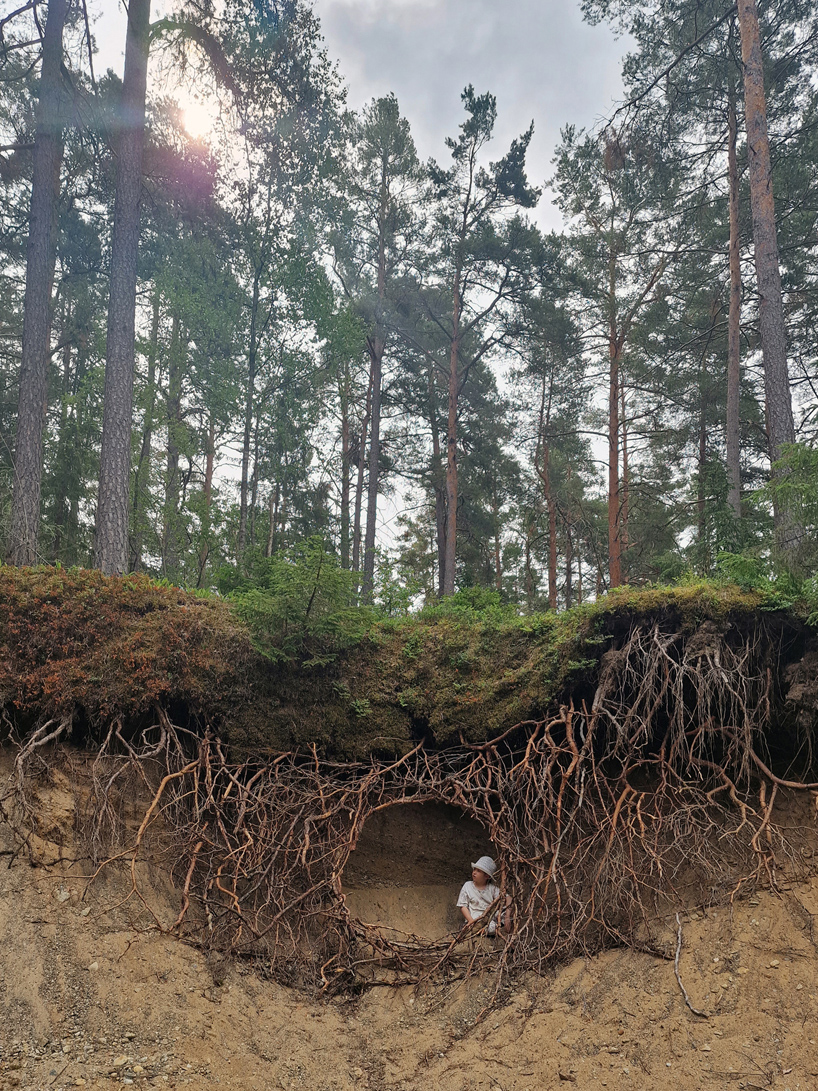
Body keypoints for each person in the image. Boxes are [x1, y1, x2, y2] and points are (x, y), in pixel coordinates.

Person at [456, 855, 511, 936]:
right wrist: (471, 921)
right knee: (470, 927)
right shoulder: (467, 886)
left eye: (478, 871)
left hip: (488, 919)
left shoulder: (492, 889)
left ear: (486, 876)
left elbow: (508, 898)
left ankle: (484, 931)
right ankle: (475, 929)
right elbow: (462, 906)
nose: (474, 872)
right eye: (474, 869)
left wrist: (507, 917)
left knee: (493, 928)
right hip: (474, 917)